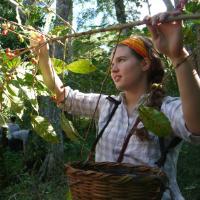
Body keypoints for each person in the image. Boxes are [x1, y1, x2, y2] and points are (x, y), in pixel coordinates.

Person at [31, 12, 200, 200]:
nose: (113, 68)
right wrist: (43, 56)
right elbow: (62, 95)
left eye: (121, 60)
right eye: (112, 63)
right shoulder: (107, 105)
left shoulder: (166, 108)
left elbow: (196, 125)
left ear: (144, 64)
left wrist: (178, 56)